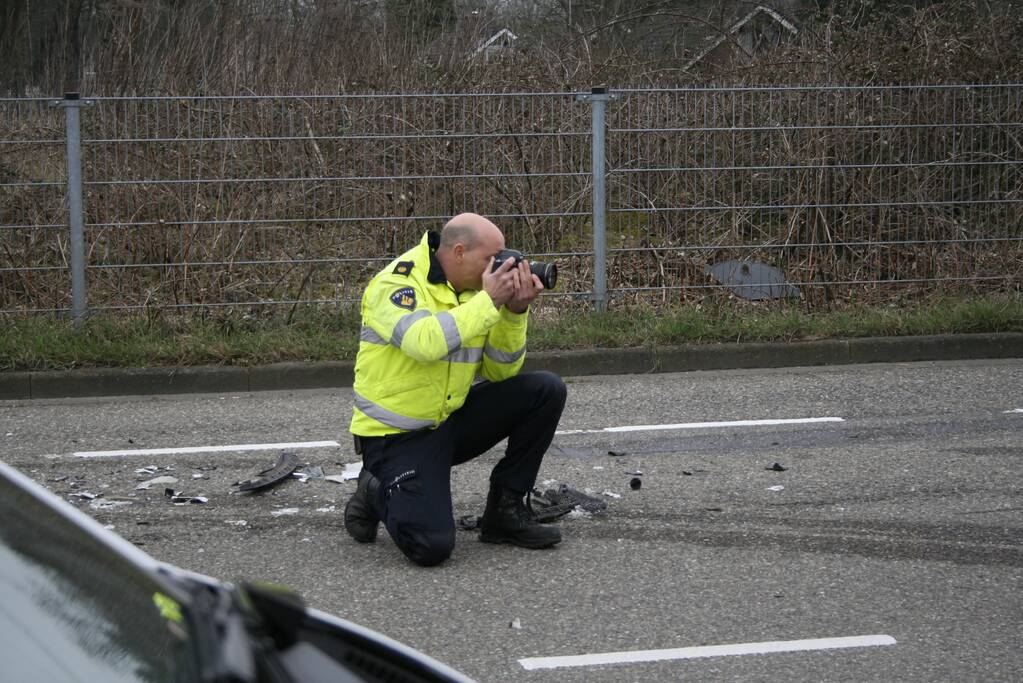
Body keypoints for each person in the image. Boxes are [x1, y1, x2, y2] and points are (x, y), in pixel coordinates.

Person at [344, 213, 567, 566]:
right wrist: (488, 301)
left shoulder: (475, 291)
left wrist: (514, 312)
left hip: (447, 421)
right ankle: (374, 488)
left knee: (545, 390)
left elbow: (499, 370)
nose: (498, 268)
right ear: (459, 251)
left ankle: (504, 514)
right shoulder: (395, 284)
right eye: (490, 260)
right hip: (396, 438)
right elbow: (424, 343)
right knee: (431, 546)